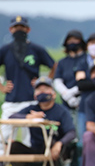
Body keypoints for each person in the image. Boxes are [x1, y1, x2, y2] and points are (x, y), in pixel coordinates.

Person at [9, 76, 76, 166]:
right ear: (35, 95)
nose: (42, 93)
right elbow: (12, 117)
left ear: (53, 94)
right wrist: (29, 117)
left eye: (46, 89)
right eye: (39, 90)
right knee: (13, 147)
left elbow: (71, 132)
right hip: (36, 148)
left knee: (51, 144)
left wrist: (60, 143)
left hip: (56, 150)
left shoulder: (61, 111)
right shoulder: (32, 109)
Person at [0, 15, 56, 155]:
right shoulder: (6, 50)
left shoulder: (36, 49)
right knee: (3, 138)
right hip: (11, 102)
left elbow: (54, 66)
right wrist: (1, 87)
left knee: (28, 140)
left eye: (22, 27)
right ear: (10, 29)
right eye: (16, 27)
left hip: (31, 102)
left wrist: (42, 83)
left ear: (28, 29)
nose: (19, 30)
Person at [53, 30, 86, 110]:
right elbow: (57, 81)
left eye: (75, 40)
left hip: (83, 101)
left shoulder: (86, 60)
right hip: (66, 102)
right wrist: (67, 95)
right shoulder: (62, 62)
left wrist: (73, 92)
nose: (72, 42)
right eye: (70, 40)